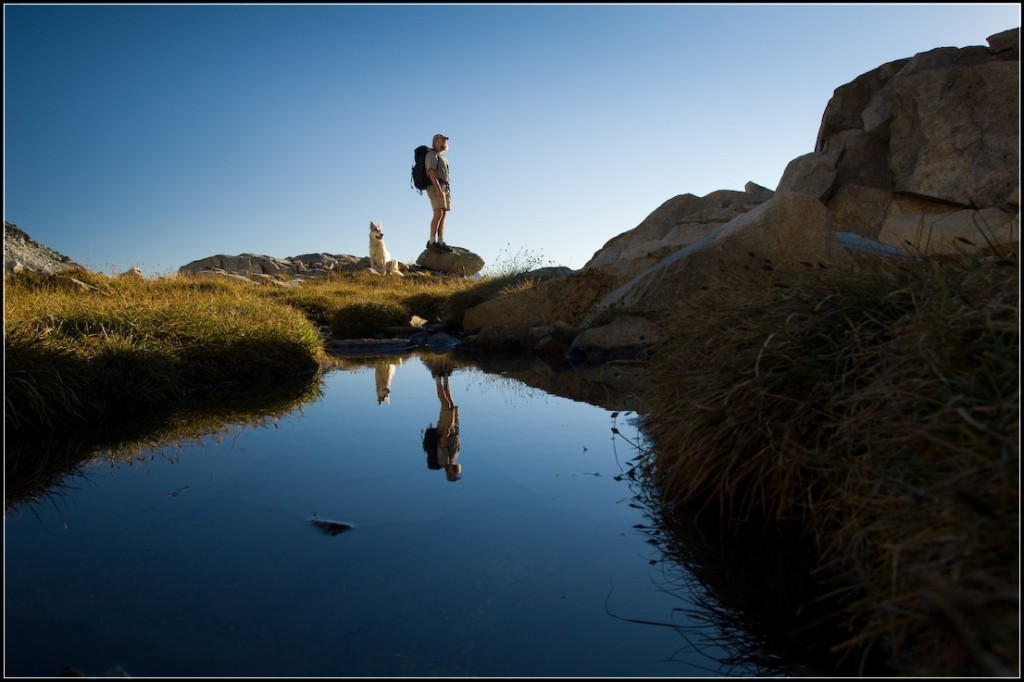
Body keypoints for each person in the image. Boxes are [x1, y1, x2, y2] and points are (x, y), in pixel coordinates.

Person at [421, 359, 461, 482]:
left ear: (449, 473)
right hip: (454, 427)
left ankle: (437, 377)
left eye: (454, 475)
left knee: (445, 404)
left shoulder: (445, 461)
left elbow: (443, 443)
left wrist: (449, 426)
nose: (457, 473)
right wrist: (455, 421)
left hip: (446, 428)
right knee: (450, 402)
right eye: (457, 475)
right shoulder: (453, 460)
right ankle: (446, 376)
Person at [425, 133, 453, 253]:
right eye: (442, 140)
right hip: (435, 186)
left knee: (443, 214)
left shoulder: (442, 157)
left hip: (444, 186)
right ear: (435, 141)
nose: (444, 143)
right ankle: (432, 242)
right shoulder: (431, 154)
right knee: (438, 213)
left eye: (445, 141)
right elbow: (431, 172)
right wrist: (438, 189)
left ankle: (440, 242)